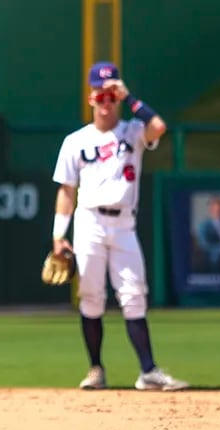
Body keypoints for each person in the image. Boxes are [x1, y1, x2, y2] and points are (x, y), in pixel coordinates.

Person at [49, 61, 188, 391]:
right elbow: (66, 190)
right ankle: (96, 370)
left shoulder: (133, 131)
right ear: (91, 99)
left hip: (124, 224)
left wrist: (131, 99)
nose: (106, 102)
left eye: (112, 95)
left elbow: (159, 126)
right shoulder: (75, 141)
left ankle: (148, 372)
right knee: (92, 297)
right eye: (101, 95)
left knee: (134, 294)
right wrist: (58, 235)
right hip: (89, 222)